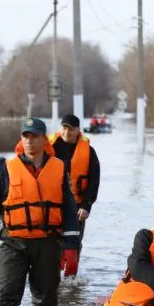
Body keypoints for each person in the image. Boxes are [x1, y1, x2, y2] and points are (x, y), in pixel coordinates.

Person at [0, 117, 80, 306]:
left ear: (44, 139)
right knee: (6, 298)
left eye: (34, 136)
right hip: (14, 242)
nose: (30, 141)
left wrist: (71, 248)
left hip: (48, 243)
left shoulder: (59, 168)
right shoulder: (7, 169)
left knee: (47, 300)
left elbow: (70, 210)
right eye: (26, 136)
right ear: (21, 139)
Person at [50, 113, 101, 276]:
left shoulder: (89, 152)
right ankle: (53, 276)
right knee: (52, 243)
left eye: (71, 129)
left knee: (74, 242)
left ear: (78, 130)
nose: (67, 132)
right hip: (54, 205)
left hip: (78, 207)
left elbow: (94, 182)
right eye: (64, 128)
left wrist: (87, 206)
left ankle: (71, 280)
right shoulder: (51, 148)